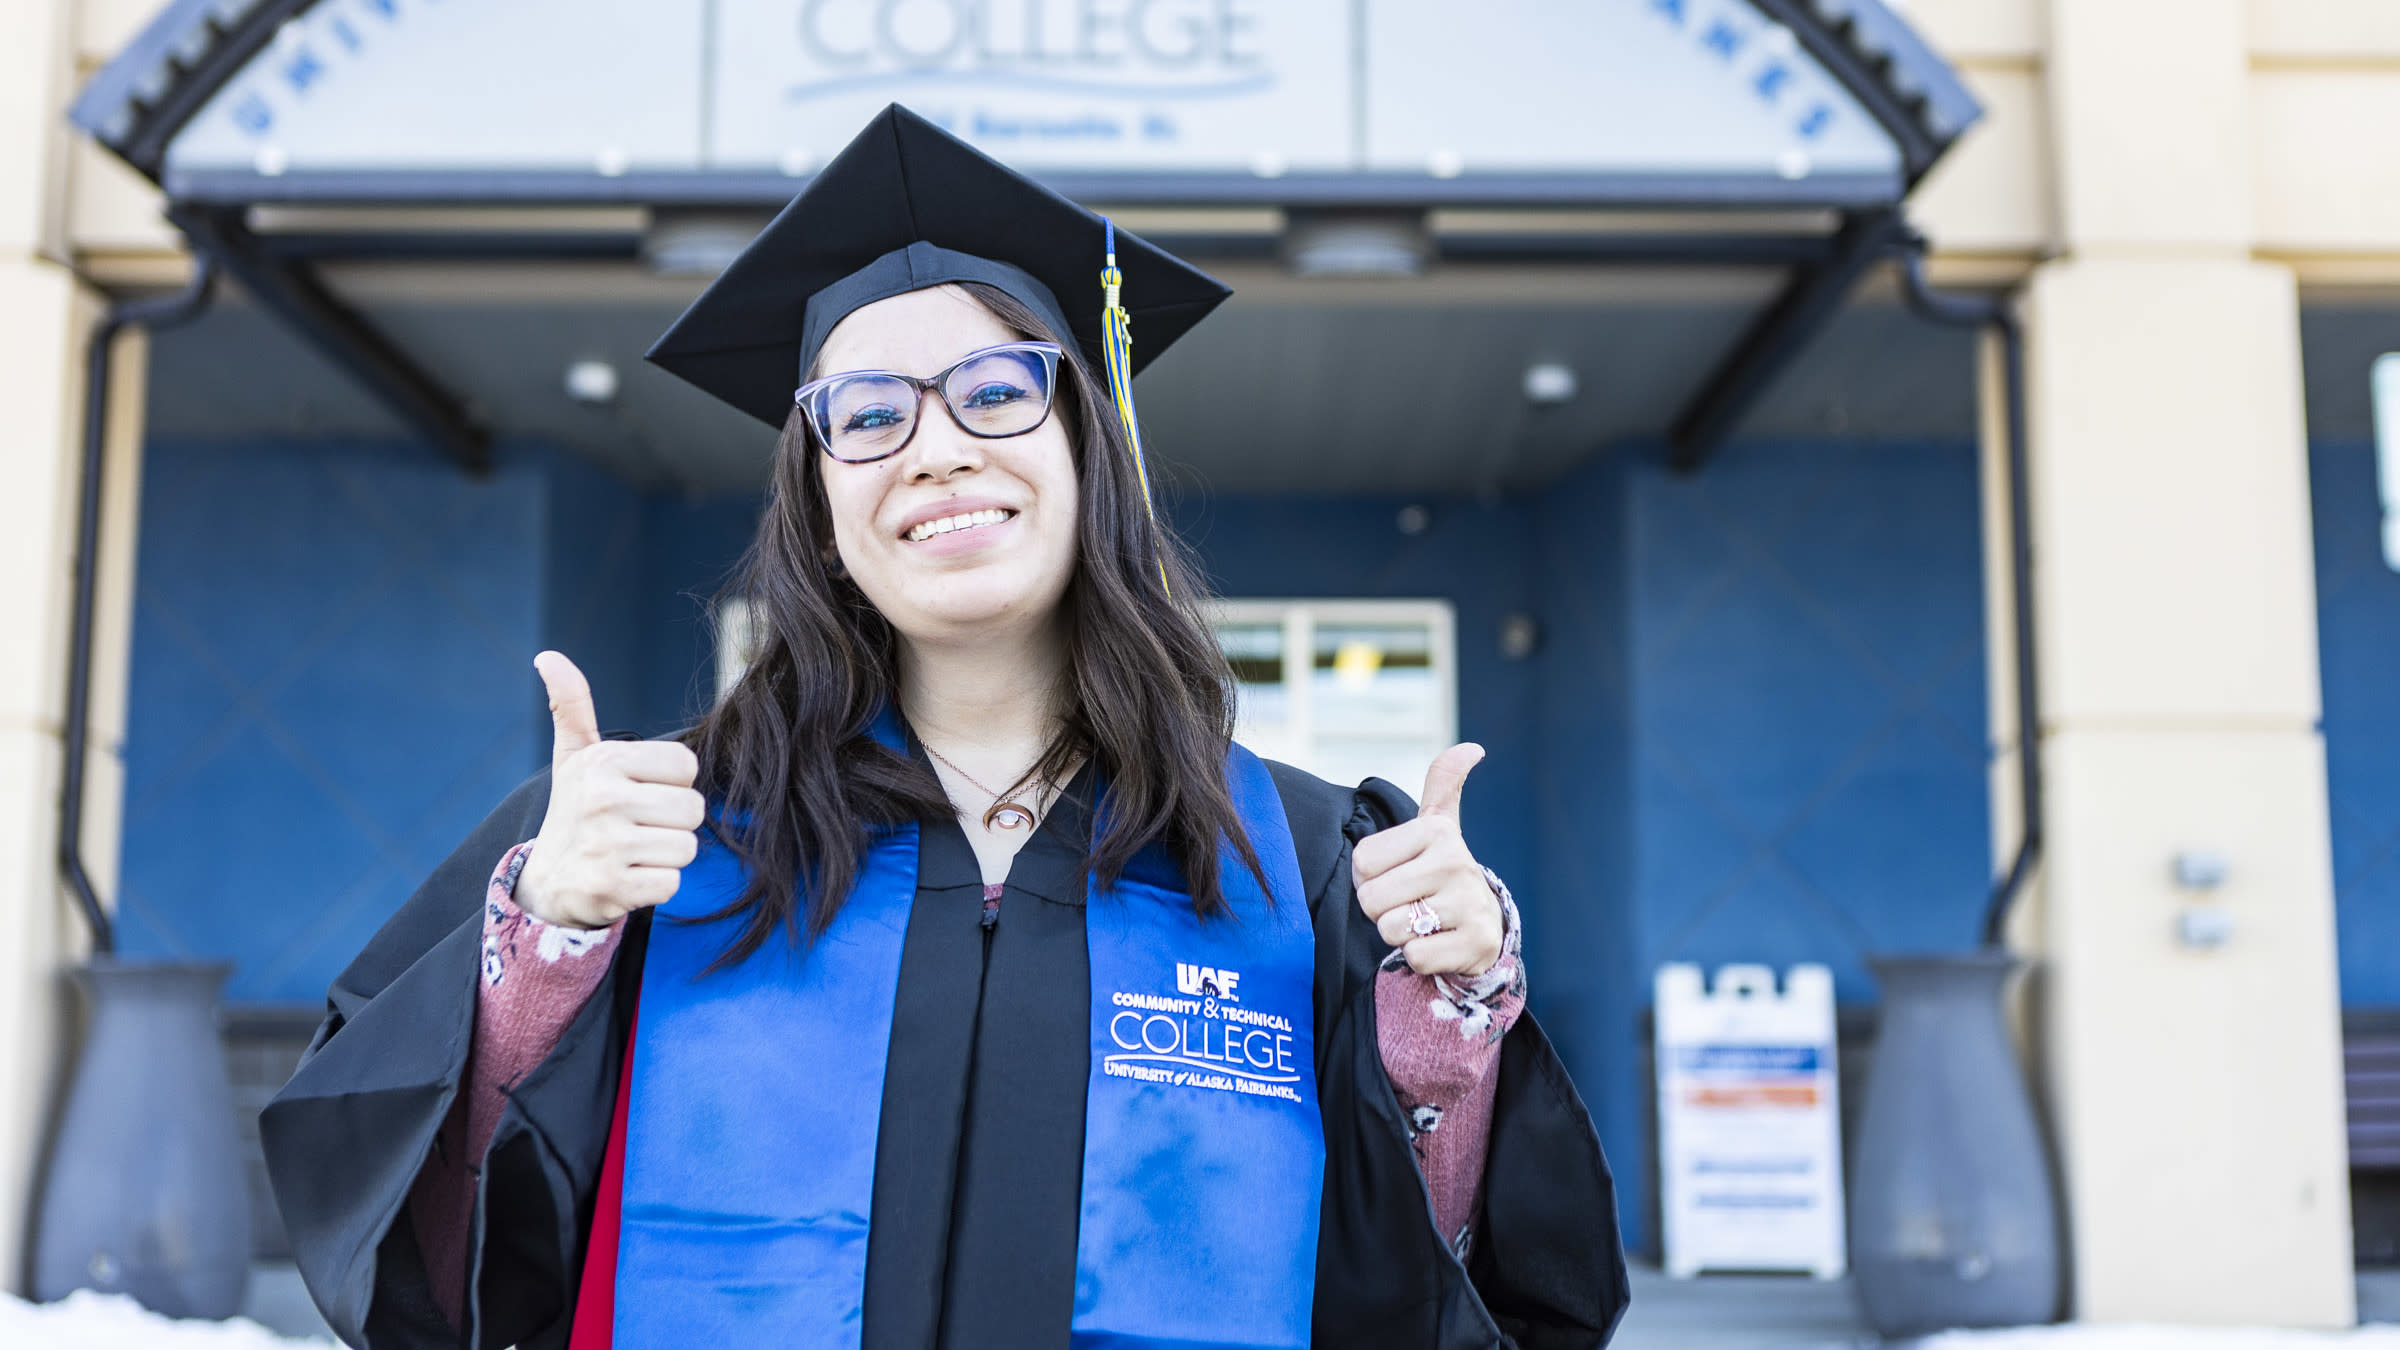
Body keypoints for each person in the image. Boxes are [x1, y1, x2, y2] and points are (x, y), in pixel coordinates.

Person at [260, 105, 1627, 1350]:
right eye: (866, 413)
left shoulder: (1307, 858)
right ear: (820, 499)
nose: (935, 447)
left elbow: (1433, 1291)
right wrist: (542, 952)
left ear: (1088, 444)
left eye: (994, 388)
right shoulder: (651, 840)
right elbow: (448, 1263)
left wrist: (1448, 1026)